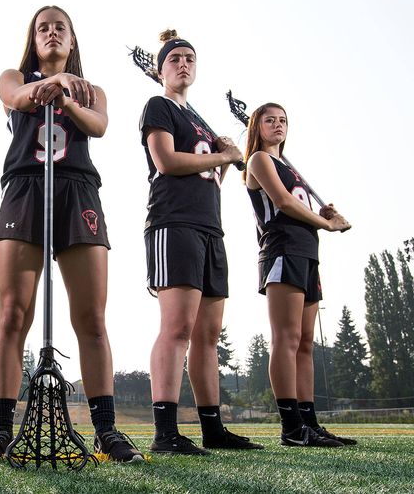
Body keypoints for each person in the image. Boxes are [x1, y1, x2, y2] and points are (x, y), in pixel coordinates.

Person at [0, 5, 143, 464]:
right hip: (25, 186)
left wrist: (66, 96)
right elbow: (18, 97)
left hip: (77, 188)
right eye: (42, 27)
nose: (50, 33)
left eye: (59, 27)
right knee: (12, 312)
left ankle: (106, 429)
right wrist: (51, 86)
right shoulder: (13, 75)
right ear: (34, 38)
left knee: (91, 318)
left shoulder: (91, 89)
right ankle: (0, 428)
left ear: (72, 40)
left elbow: (99, 126)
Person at [138, 29, 262, 454]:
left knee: (209, 334)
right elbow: (168, 162)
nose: (183, 64)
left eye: (190, 58)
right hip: (173, 223)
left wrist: (224, 159)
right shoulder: (158, 106)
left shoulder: (200, 119)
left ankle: (213, 427)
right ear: (160, 69)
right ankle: (165, 432)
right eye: (174, 59)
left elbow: (210, 176)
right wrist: (225, 155)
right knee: (177, 329)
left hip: (211, 227)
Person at [244, 102, 355, 447]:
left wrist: (320, 213)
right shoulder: (259, 160)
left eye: (283, 121)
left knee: (306, 343)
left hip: (308, 254)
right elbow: (285, 203)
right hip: (282, 251)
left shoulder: (291, 169)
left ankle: (310, 423)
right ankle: (291, 427)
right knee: (287, 339)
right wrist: (328, 224)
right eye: (270, 120)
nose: (278, 125)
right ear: (257, 127)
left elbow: (300, 205)